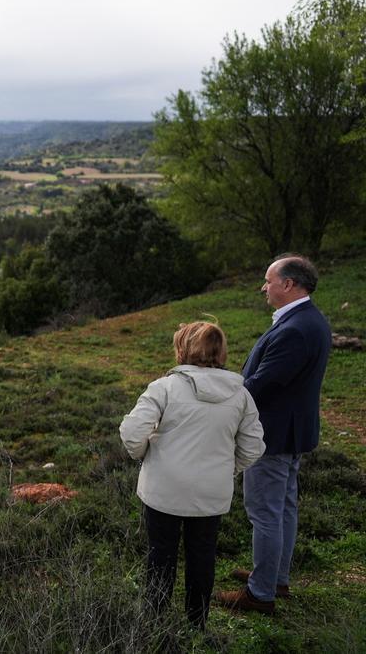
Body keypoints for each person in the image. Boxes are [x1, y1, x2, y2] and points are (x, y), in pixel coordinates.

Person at [120, 321, 265, 630]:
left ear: (182, 349)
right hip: (211, 491)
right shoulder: (240, 394)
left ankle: (155, 622)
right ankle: (196, 625)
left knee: (161, 557)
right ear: (220, 351)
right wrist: (228, 468)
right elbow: (253, 445)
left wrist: (147, 457)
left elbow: (132, 433)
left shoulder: (165, 387)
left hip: (164, 489)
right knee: (203, 557)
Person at [216, 255, 331, 615]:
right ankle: (274, 576)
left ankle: (261, 593)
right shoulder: (309, 320)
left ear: (289, 285)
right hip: (290, 430)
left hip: (272, 435)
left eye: (268, 281)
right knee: (283, 508)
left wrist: (221, 397)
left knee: (265, 511)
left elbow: (262, 385)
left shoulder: (296, 329)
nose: (264, 287)